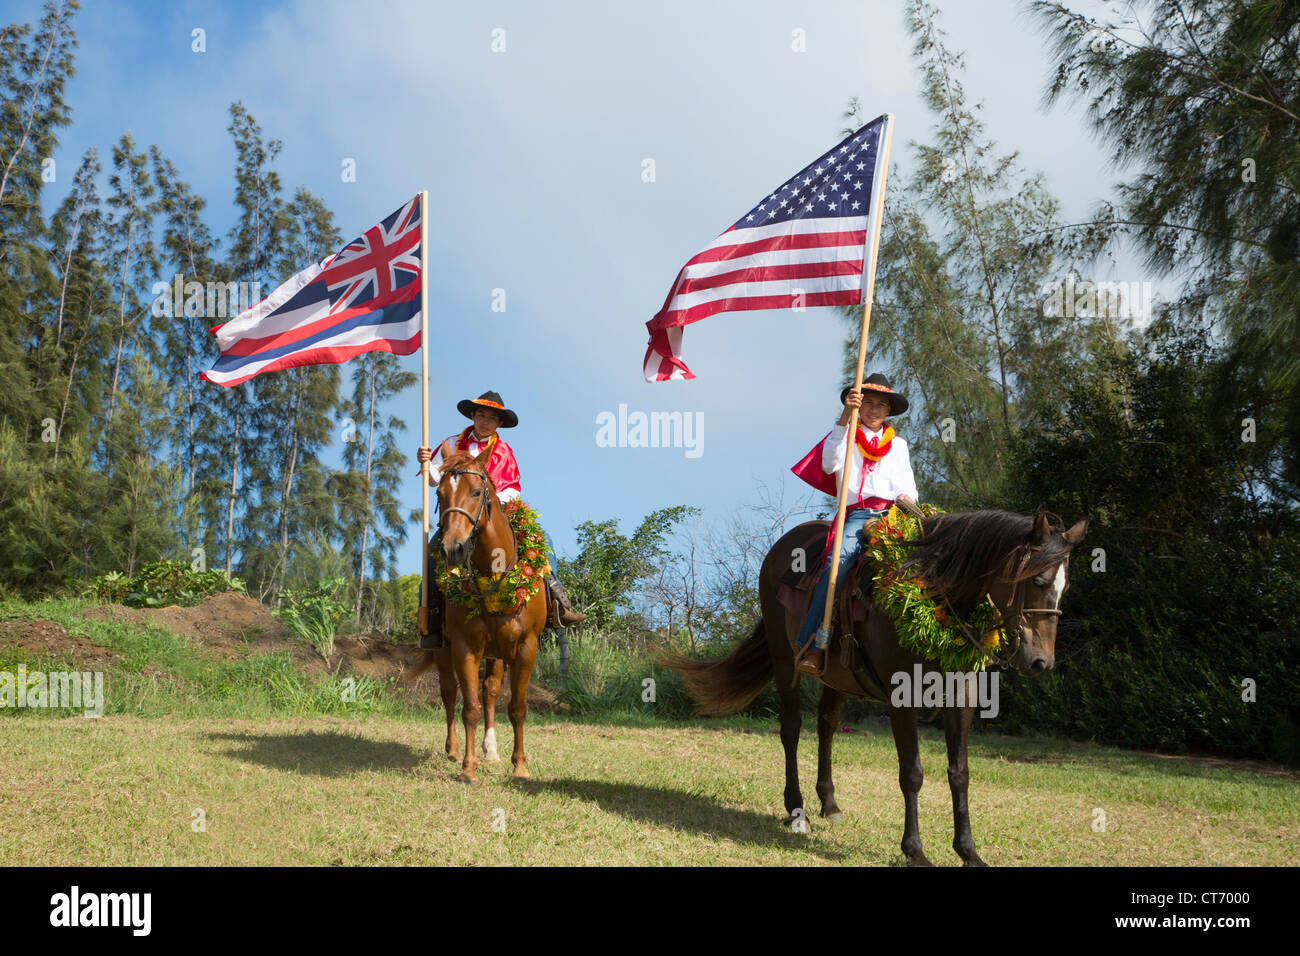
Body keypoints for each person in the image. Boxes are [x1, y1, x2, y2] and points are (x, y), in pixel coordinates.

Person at [416, 390, 586, 647]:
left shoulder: (504, 451)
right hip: (460, 515)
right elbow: (433, 479)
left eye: (491, 418)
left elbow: (513, 489)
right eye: (481, 415)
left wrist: (493, 501)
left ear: (499, 423)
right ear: (472, 415)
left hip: (497, 513)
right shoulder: (451, 443)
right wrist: (427, 464)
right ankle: (429, 615)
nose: (485, 421)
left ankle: (557, 602)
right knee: (432, 550)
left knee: (544, 539)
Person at [789, 373, 919, 675]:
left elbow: (910, 486)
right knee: (837, 563)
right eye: (868, 403)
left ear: (888, 411)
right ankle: (814, 644)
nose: (874, 410)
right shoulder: (845, 436)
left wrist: (906, 498)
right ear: (860, 406)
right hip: (857, 516)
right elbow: (828, 464)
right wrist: (846, 415)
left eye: (881, 405)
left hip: (892, 517)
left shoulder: (898, 445)